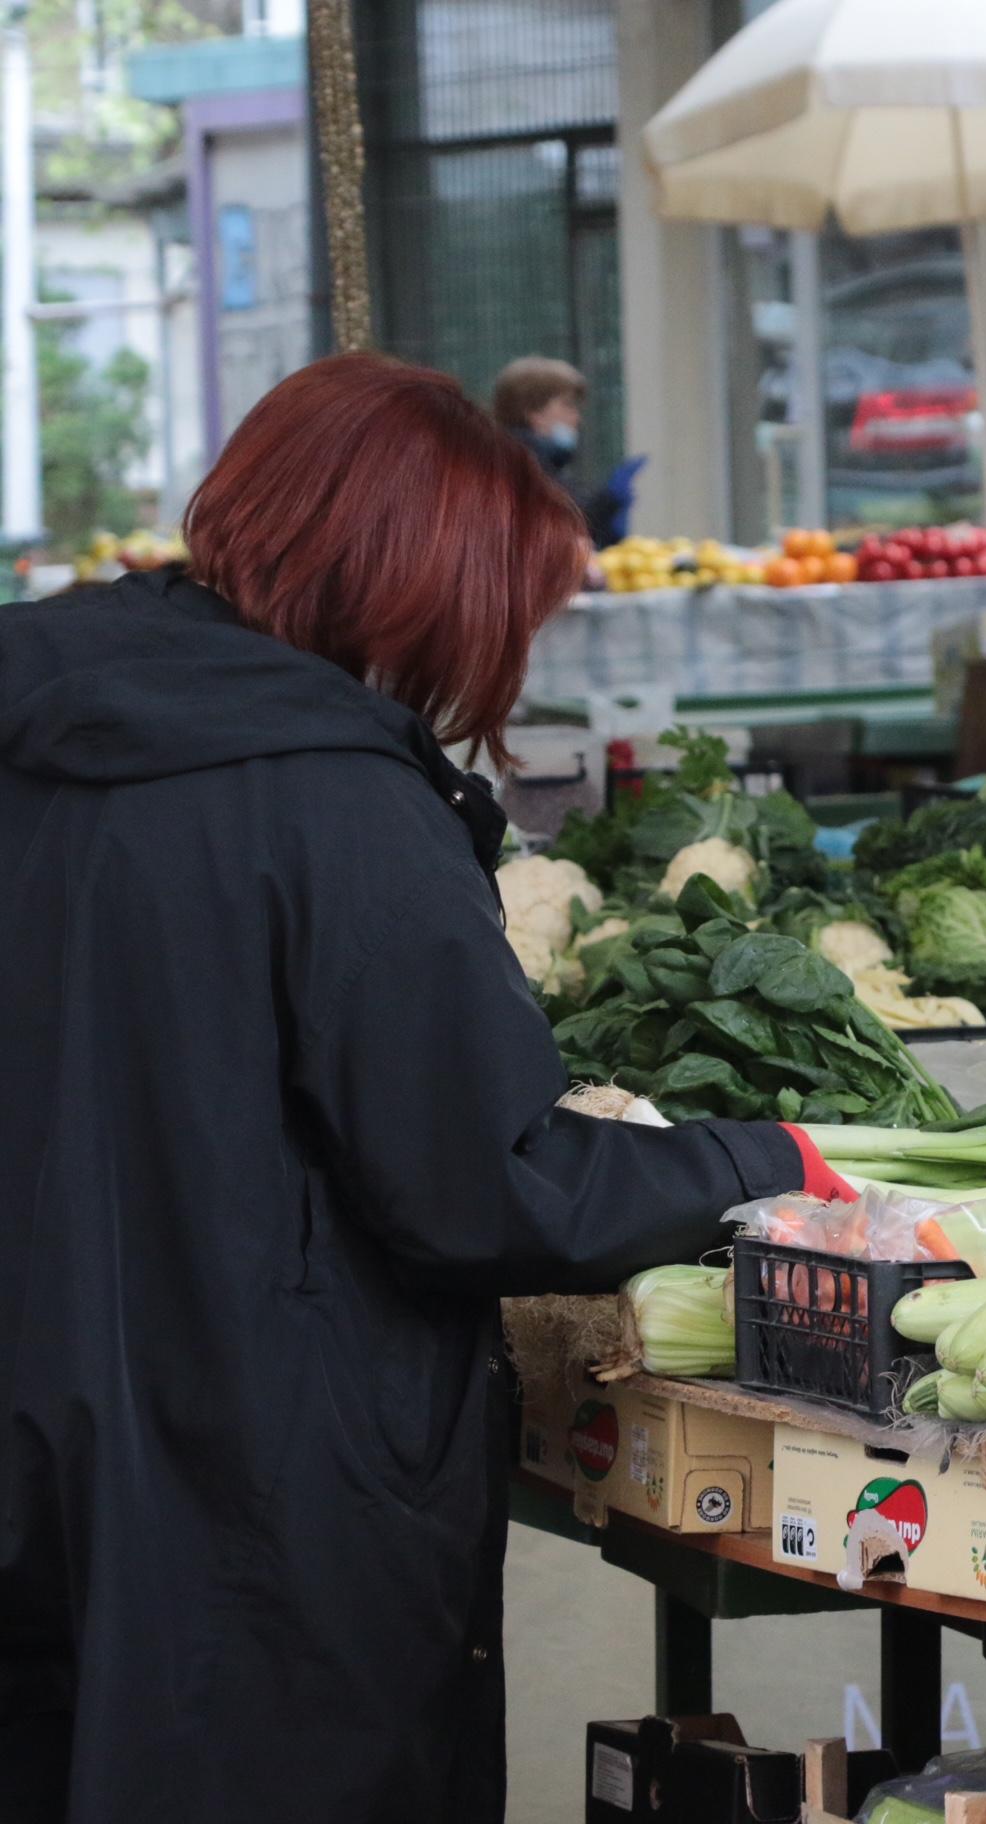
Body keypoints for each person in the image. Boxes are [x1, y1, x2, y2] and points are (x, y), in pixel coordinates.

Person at [0, 354, 855, 1820]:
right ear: (412, 586)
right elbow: (482, 1184)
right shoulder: (336, 797)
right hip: (256, 1496)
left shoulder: (41, 716)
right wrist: (756, 1158)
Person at [490, 354, 641, 548]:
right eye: (567, 405)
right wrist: (608, 503)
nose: (577, 418)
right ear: (535, 412)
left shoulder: (542, 462)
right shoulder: (519, 465)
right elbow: (561, 525)